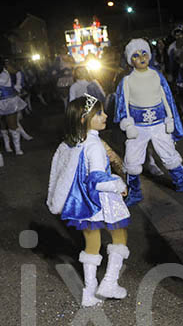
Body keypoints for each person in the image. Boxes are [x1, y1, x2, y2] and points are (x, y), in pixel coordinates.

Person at [47, 94, 130, 307]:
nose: (105, 115)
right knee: (119, 236)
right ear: (84, 119)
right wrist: (118, 185)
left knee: (92, 243)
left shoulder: (75, 142)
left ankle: (89, 291)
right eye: (99, 113)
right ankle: (109, 283)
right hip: (102, 200)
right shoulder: (94, 145)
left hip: (83, 204)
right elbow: (97, 180)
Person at [114, 38, 183, 206]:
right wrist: (128, 124)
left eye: (144, 53)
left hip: (159, 123)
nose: (141, 57)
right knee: (132, 160)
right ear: (130, 60)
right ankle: (135, 192)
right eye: (136, 55)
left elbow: (166, 98)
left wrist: (170, 118)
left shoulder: (156, 75)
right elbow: (122, 104)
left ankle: (182, 183)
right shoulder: (127, 80)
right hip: (138, 126)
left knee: (169, 154)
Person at [0, 50, 26, 156]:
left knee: (12, 125)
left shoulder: (5, 67)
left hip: (9, 100)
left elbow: (18, 73)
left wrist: (18, 87)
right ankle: (0, 152)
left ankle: (17, 149)